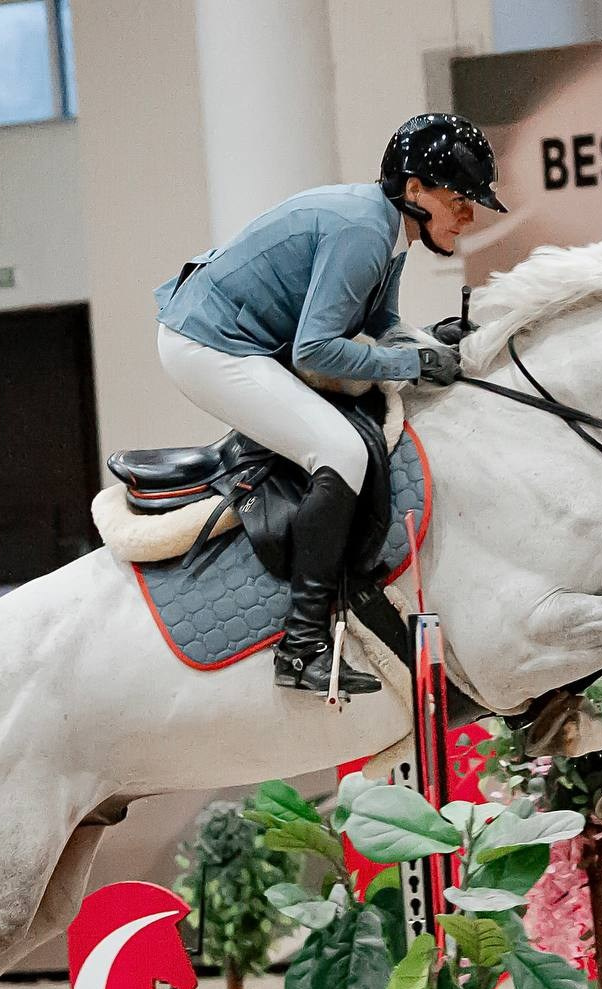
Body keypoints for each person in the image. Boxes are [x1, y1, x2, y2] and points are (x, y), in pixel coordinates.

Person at [154, 113, 507, 695]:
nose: (469, 216)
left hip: (245, 339)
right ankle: (302, 644)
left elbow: (381, 324)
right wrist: (412, 364)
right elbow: (317, 350)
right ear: (414, 189)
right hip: (207, 345)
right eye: (460, 200)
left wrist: (424, 344)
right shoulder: (366, 232)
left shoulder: (391, 228)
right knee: (341, 451)